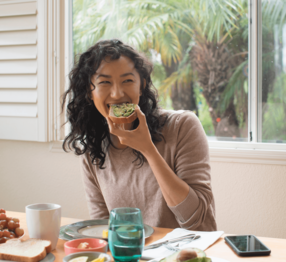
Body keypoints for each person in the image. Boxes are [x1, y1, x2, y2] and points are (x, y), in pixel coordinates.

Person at [62, 39, 216, 231]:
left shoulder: (183, 126)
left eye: (127, 80)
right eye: (104, 82)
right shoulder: (93, 150)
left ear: (141, 85)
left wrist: (148, 149)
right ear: (89, 92)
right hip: (133, 257)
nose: (117, 94)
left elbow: (195, 220)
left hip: (189, 256)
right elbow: (103, 229)